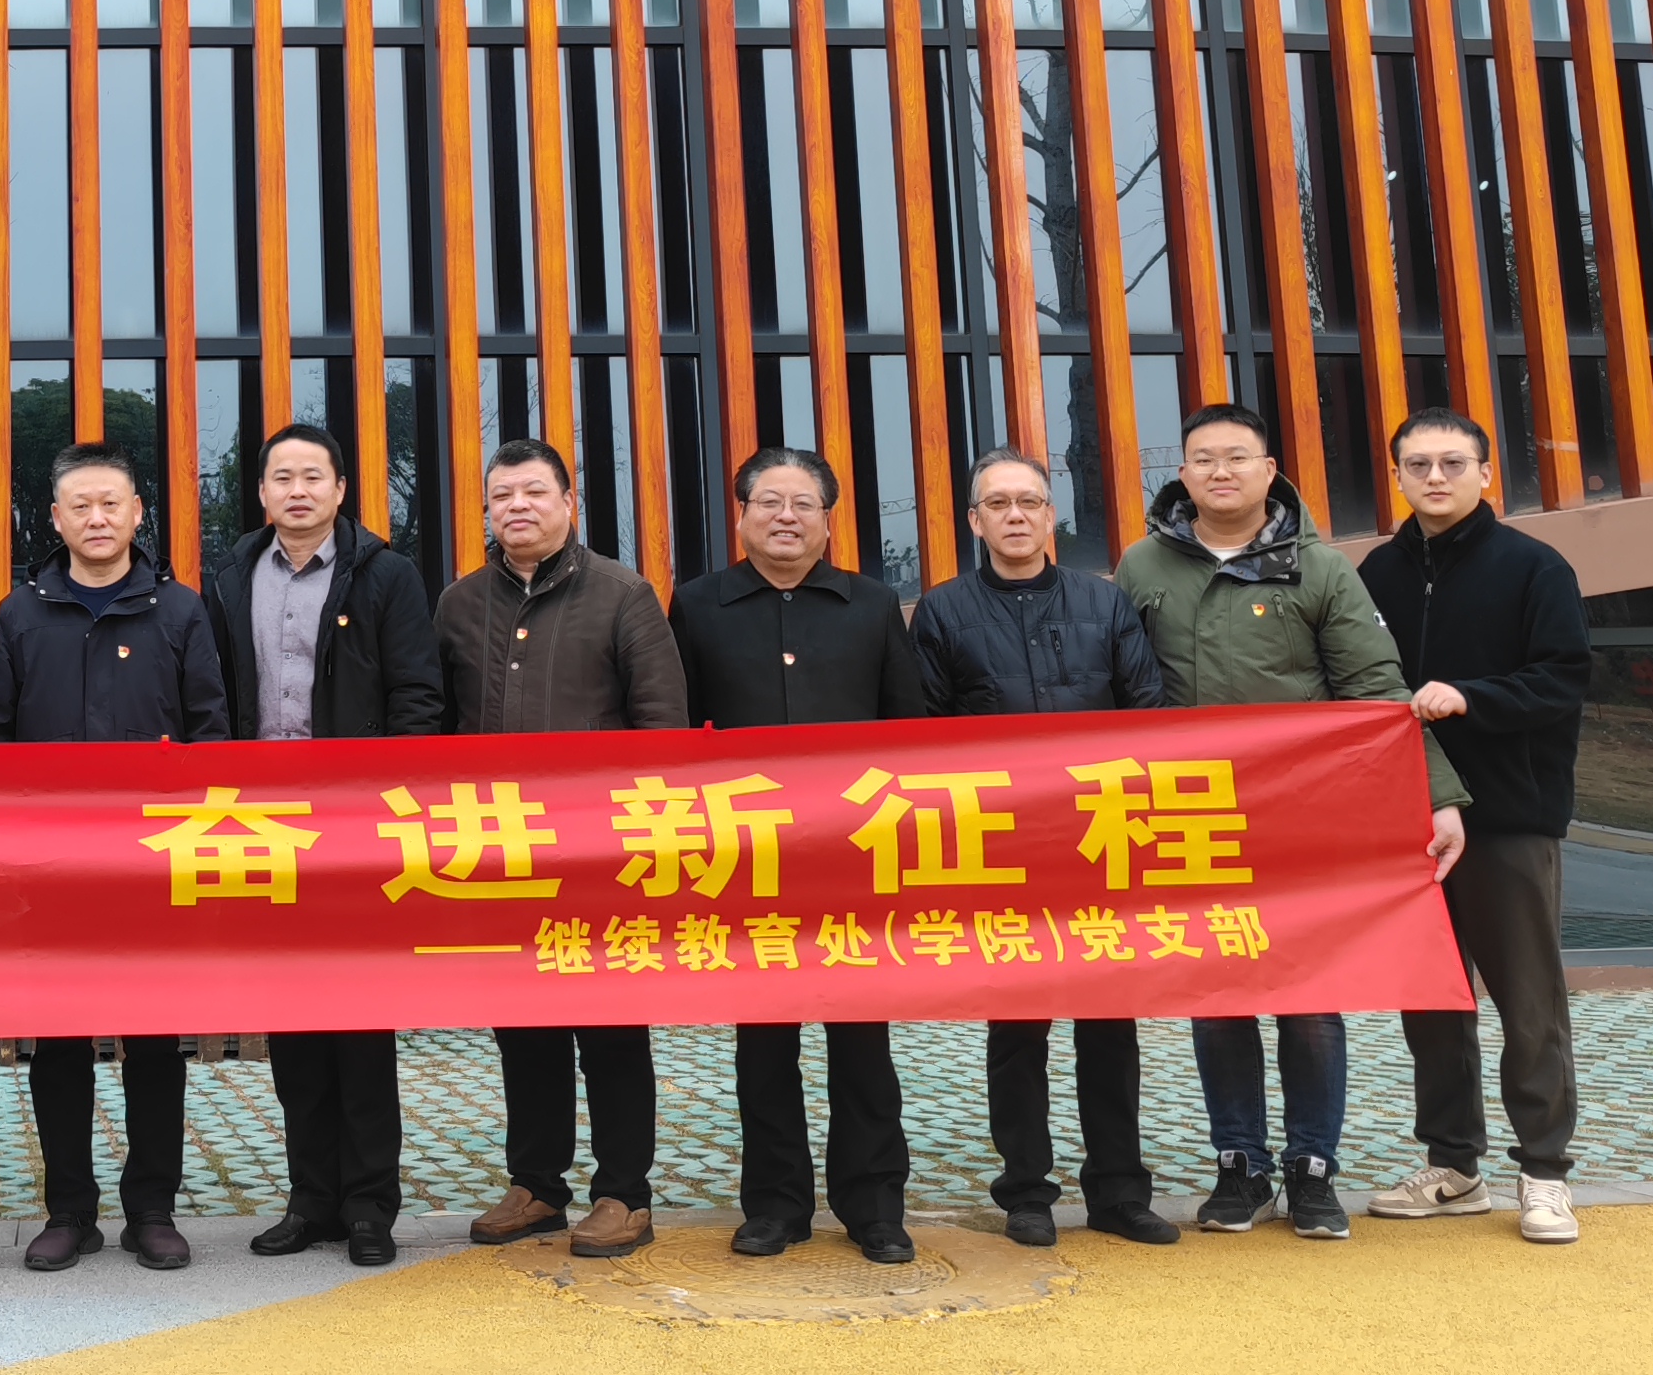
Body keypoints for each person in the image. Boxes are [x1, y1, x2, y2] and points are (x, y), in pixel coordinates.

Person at [1113, 402, 1465, 1241]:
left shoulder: (1320, 569)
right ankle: (1239, 1164)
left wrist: (1437, 795)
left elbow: (1376, 691)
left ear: (1270, 470)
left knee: (1310, 998)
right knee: (1217, 996)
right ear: (1182, 473)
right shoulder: (1141, 566)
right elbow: (1117, 689)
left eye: (1238, 456)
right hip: (1191, 814)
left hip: (1304, 818)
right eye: (1204, 458)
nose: (1221, 471)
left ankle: (1312, 1169)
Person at [910, 446, 1180, 1250]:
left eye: (1029, 501)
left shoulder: (1105, 603)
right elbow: (922, 737)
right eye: (998, 504)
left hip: (1100, 842)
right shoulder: (943, 613)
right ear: (975, 521)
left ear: (1051, 514)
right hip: (1002, 852)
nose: (1016, 516)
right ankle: (1025, 1190)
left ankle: (1119, 1191)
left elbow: (1149, 716)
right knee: (1018, 1031)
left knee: (1110, 1027)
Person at [0, 441, 231, 1274]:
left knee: (154, 1045)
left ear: (137, 513)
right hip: (51, 871)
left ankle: (152, 1208)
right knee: (59, 1045)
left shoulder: (179, 611)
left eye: (110, 503)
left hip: (153, 869)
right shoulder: (20, 613)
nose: (96, 518)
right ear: (55, 518)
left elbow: (210, 736)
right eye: (79, 505)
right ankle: (69, 1210)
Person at [670, 447, 926, 1265]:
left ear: (827, 519)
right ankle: (774, 1206)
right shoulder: (698, 604)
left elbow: (908, 729)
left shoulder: (871, 603)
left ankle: (874, 1205)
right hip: (748, 861)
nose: (786, 516)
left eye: (803, 503)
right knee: (764, 1044)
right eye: (770, 502)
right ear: (741, 513)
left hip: (854, 859)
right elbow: (677, 735)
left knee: (863, 1042)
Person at [433, 439, 688, 1261]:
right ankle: (537, 1185)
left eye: (535, 492)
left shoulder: (623, 595)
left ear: (569, 503)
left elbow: (664, 730)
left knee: (611, 1030)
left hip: (601, 859)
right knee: (523, 1029)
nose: (518, 506)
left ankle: (624, 1193)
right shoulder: (459, 604)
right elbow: (436, 734)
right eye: (502, 494)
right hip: (501, 857)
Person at [204, 421, 439, 1269]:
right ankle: (310, 1200)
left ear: (341, 489)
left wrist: (389, 811)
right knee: (294, 1023)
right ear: (262, 493)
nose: (297, 490)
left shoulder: (387, 575)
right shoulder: (230, 576)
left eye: (313, 476)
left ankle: (370, 1204)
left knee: (362, 1023)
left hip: (357, 829)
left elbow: (417, 697)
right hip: (264, 829)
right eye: (282, 477)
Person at [1357, 407, 1592, 1247]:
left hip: (1508, 819)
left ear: (1487, 474)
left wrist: (1472, 697)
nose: (1435, 477)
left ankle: (1545, 1171)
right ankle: (1453, 1166)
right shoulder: (1375, 574)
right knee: (1430, 1002)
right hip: (1406, 822)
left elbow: (1564, 678)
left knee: (1528, 1003)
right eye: (1418, 464)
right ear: (1396, 476)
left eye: (1453, 463)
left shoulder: (1534, 567)